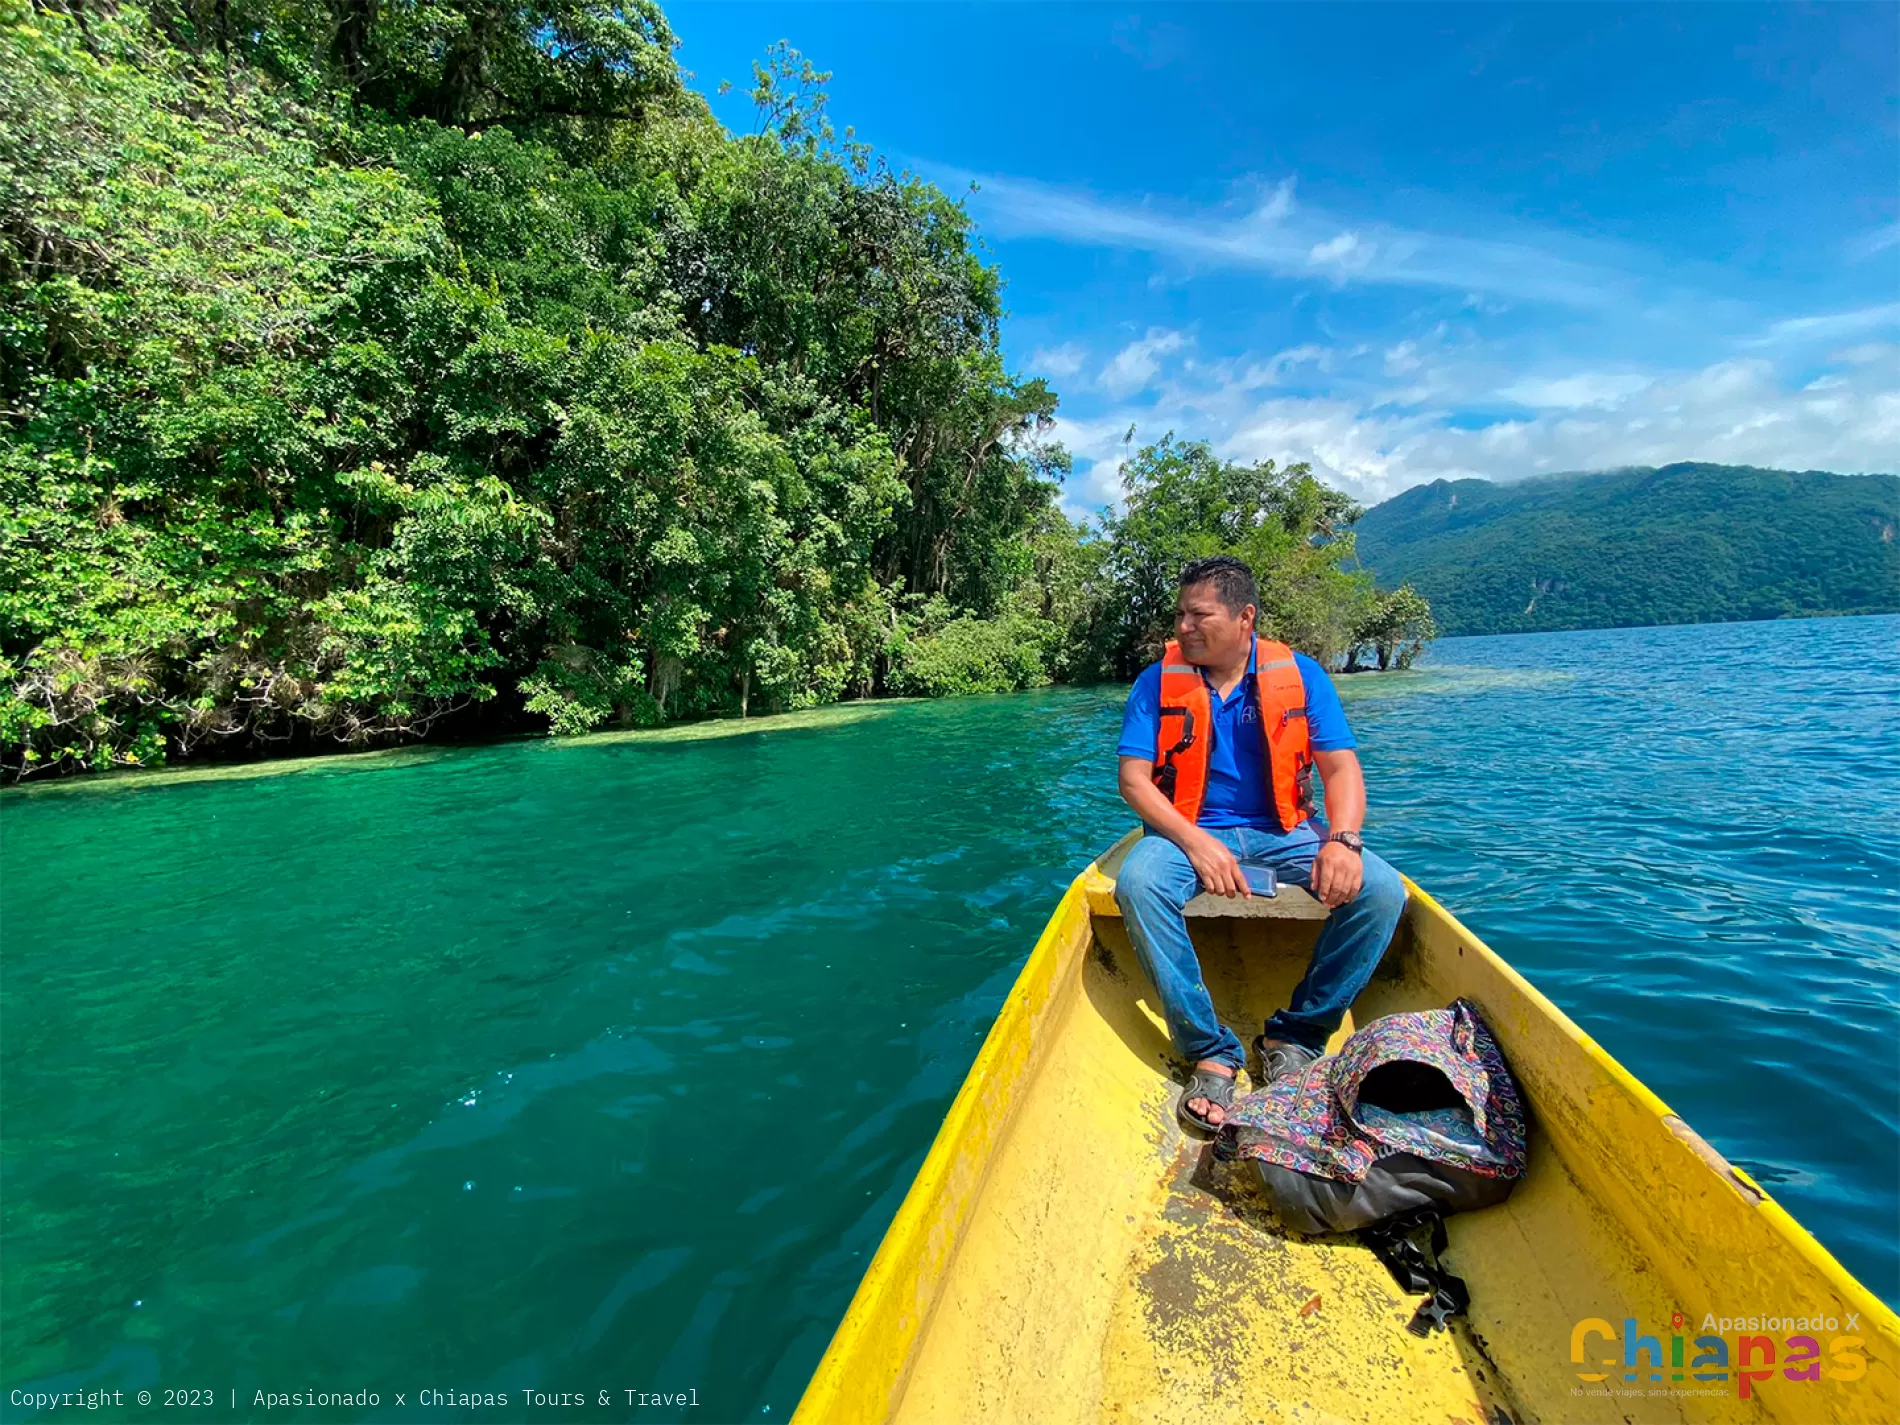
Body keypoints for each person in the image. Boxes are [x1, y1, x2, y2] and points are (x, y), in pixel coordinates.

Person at [1114, 555, 1407, 1134]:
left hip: (1287, 830)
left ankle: (1296, 1035)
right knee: (1139, 883)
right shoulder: (1157, 682)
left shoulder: (1299, 676)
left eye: (1199, 616)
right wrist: (1196, 843)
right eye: (1179, 615)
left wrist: (1344, 842)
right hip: (1188, 829)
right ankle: (1209, 1049)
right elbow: (1133, 781)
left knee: (1380, 891)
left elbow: (1341, 770)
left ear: (1244, 616)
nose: (1184, 628)